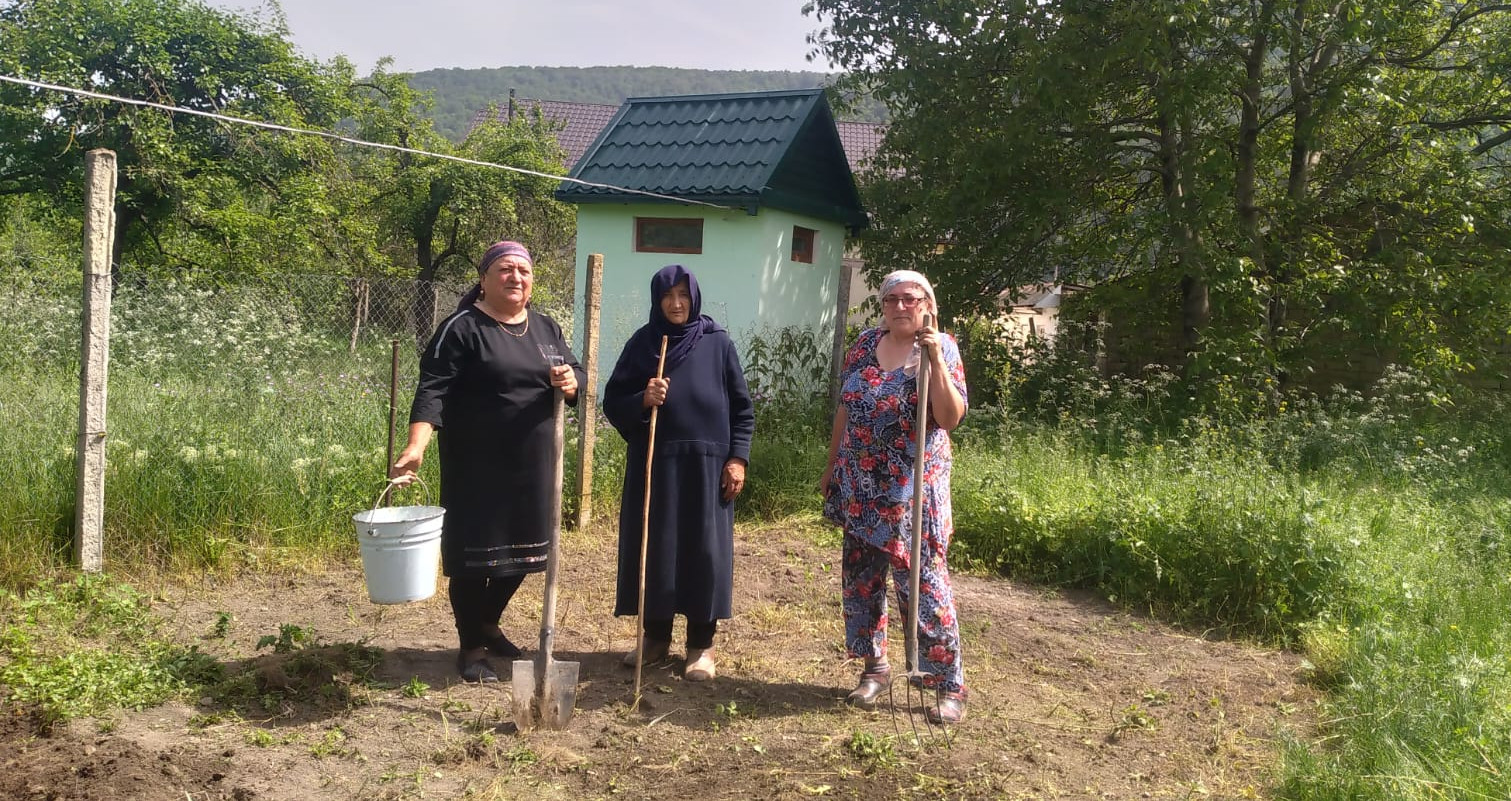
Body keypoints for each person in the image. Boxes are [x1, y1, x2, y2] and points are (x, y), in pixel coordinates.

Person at [391, 240, 584, 683]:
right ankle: (472, 647)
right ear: (484, 279)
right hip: (476, 467)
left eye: (524, 271)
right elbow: (433, 390)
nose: (516, 277)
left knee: (523, 556)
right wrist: (416, 444)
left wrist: (571, 380)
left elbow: (577, 373)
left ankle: (489, 624)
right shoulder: (461, 328)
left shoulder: (545, 328)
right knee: (474, 558)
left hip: (534, 467)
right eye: (505, 269)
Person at [820, 269, 969, 724]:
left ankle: (947, 685)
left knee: (925, 587)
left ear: (927, 303)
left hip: (912, 491)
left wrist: (935, 362)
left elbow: (950, 417)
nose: (901, 306)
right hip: (861, 487)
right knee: (862, 581)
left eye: (910, 298)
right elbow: (846, 406)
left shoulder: (940, 347)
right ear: (882, 305)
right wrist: (831, 468)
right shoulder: (865, 345)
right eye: (892, 299)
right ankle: (875, 669)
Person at [602, 264, 754, 682]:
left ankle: (700, 647)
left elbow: (743, 408)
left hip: (708, 468)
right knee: (656, 549)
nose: (676, 303)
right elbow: (612, 402)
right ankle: (655, 638)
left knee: (704, 552)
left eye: (683, 295)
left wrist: (737, 458)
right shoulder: (643, 343)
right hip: (656, 463)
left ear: (695, 297)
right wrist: (642, 398)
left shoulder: (717, 342)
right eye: (668, 296)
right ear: (657, 300)